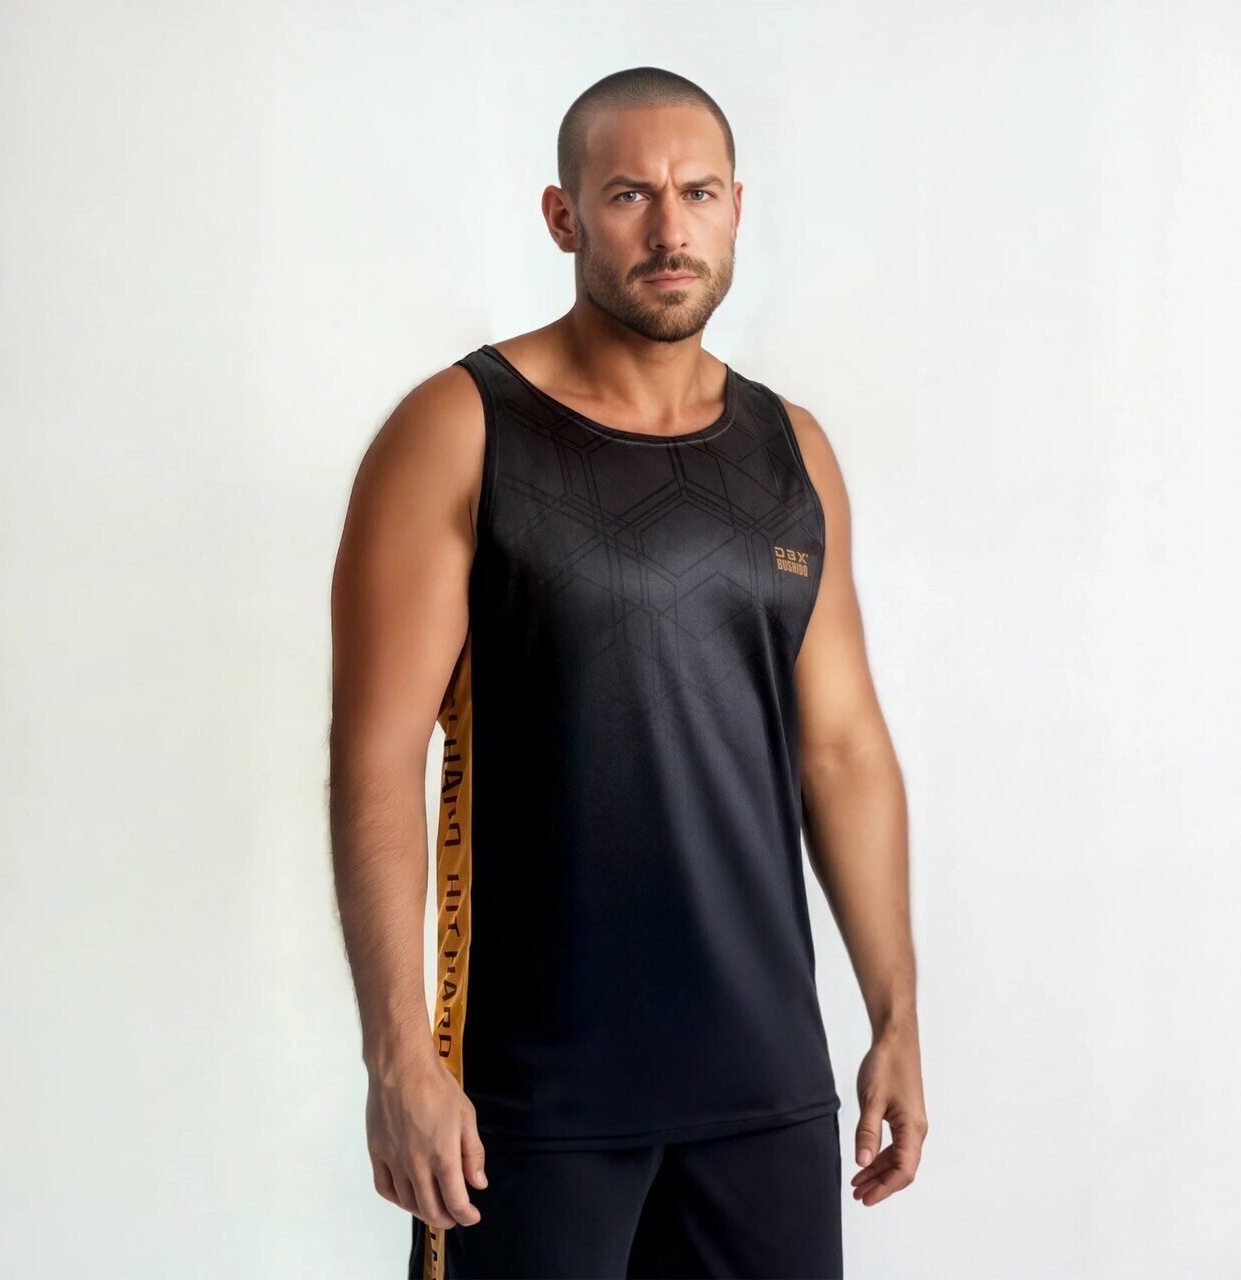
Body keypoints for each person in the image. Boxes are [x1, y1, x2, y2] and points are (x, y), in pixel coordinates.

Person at [328, 65, 927, 1280]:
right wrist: (398, 1055)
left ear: (736, 209)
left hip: (762, 1091)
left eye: (696, 192)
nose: (668, 229)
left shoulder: (789, 448)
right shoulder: (460, 428)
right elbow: (375, 754)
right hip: (527, 1100)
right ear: (563, 217)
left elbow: (841, 748)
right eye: (626, 195)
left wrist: (895, 1011)